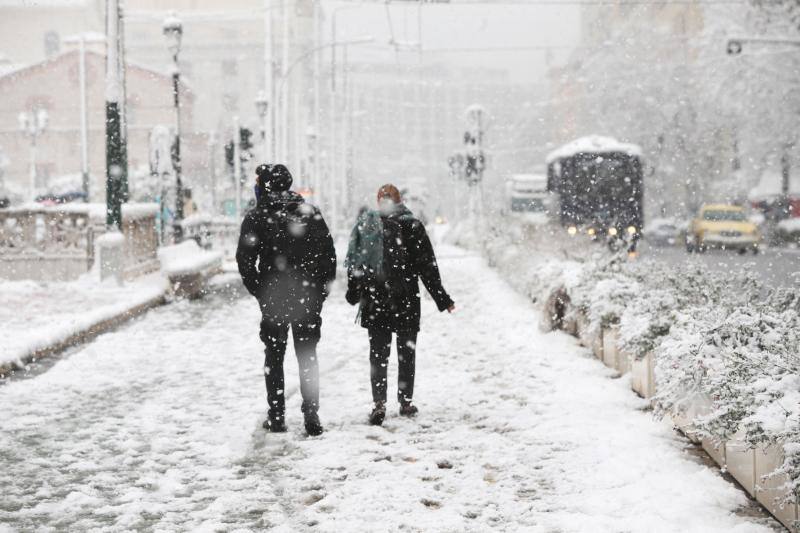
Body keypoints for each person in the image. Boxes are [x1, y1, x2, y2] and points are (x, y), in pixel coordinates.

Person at [236, 164, 336, 436]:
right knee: (308, 356)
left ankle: (277, 414)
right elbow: (328, 255)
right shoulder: (309, 214)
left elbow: (245, 261)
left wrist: (260, 290)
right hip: (306, 298)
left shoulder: (257, 217)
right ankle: (311, 414)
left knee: (274, 356)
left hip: (275, 298)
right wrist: (319, 291)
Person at [345, 184, 454, 426]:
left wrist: (353, 292)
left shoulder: (369, 225)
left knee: (378, 355)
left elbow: (357, 263)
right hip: (405, 297)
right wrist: (442, 298)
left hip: (376, 298)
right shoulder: (412, 225)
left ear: (378, 200)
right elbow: (427, 267)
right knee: (406, 353)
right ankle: (405, 402)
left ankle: (379, 403)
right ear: (399, 200)